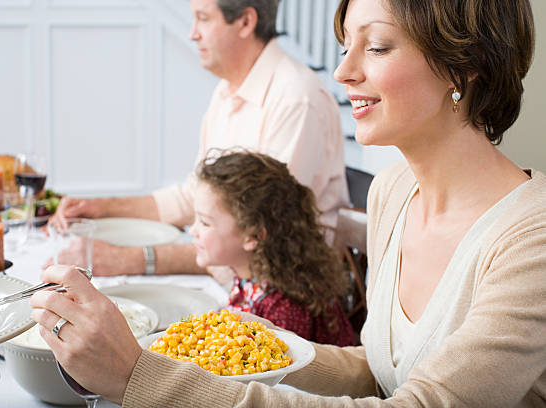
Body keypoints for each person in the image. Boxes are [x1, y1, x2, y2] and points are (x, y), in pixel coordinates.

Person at [30, 0, 546, 406]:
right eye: (345, 47)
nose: (343, 73)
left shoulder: (532, 240)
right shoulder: (393, 192)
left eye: (379, 47)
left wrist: (142, 379)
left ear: (468, 65)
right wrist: (248, 344)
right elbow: (381, 370)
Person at [52, 0, 349, 280]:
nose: (192, 33)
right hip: (237, 282)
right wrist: (101, 208)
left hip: (283, 297)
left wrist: (130, 259)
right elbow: (195, 196)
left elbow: (260, 236)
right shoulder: (227, 90)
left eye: (203, 19)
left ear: (245, 22)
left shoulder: (296, 99)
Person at [191, 149, 355, 346]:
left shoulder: (284, 308)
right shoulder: (250, 276)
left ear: (253, 236)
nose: (193, 230)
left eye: (205, 222)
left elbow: (275, 374)